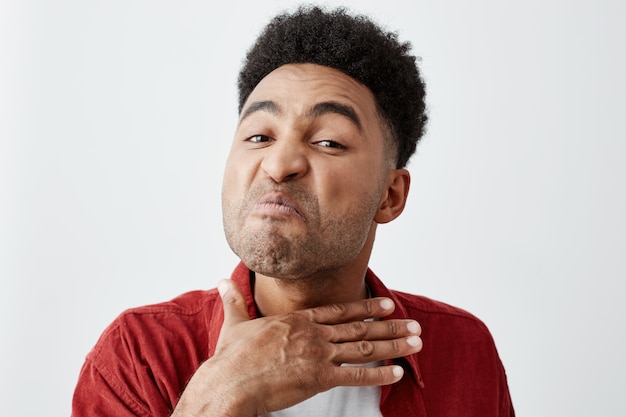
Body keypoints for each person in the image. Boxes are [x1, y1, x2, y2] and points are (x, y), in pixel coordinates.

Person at [72, 5, 514, 417]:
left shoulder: (463, 351)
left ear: (390, 196)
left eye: (328, 142)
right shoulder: (140, 354)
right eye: (260, 136)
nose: (279, 165)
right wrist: (218, 395)